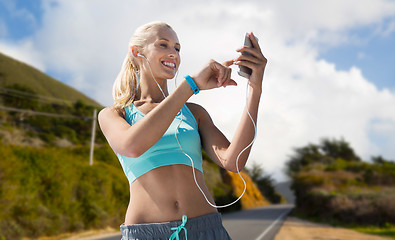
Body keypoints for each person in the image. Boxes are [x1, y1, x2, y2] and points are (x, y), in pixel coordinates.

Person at [98, 21, 267, 240]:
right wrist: (190, 86)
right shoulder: (114, 114)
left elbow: (233, 161)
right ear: (136, 52)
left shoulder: (194, 113)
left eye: (177, 48)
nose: (173, 54)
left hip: (206, 231)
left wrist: (255, 88)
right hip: (146, 235)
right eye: (163, 45)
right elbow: (132, 146)